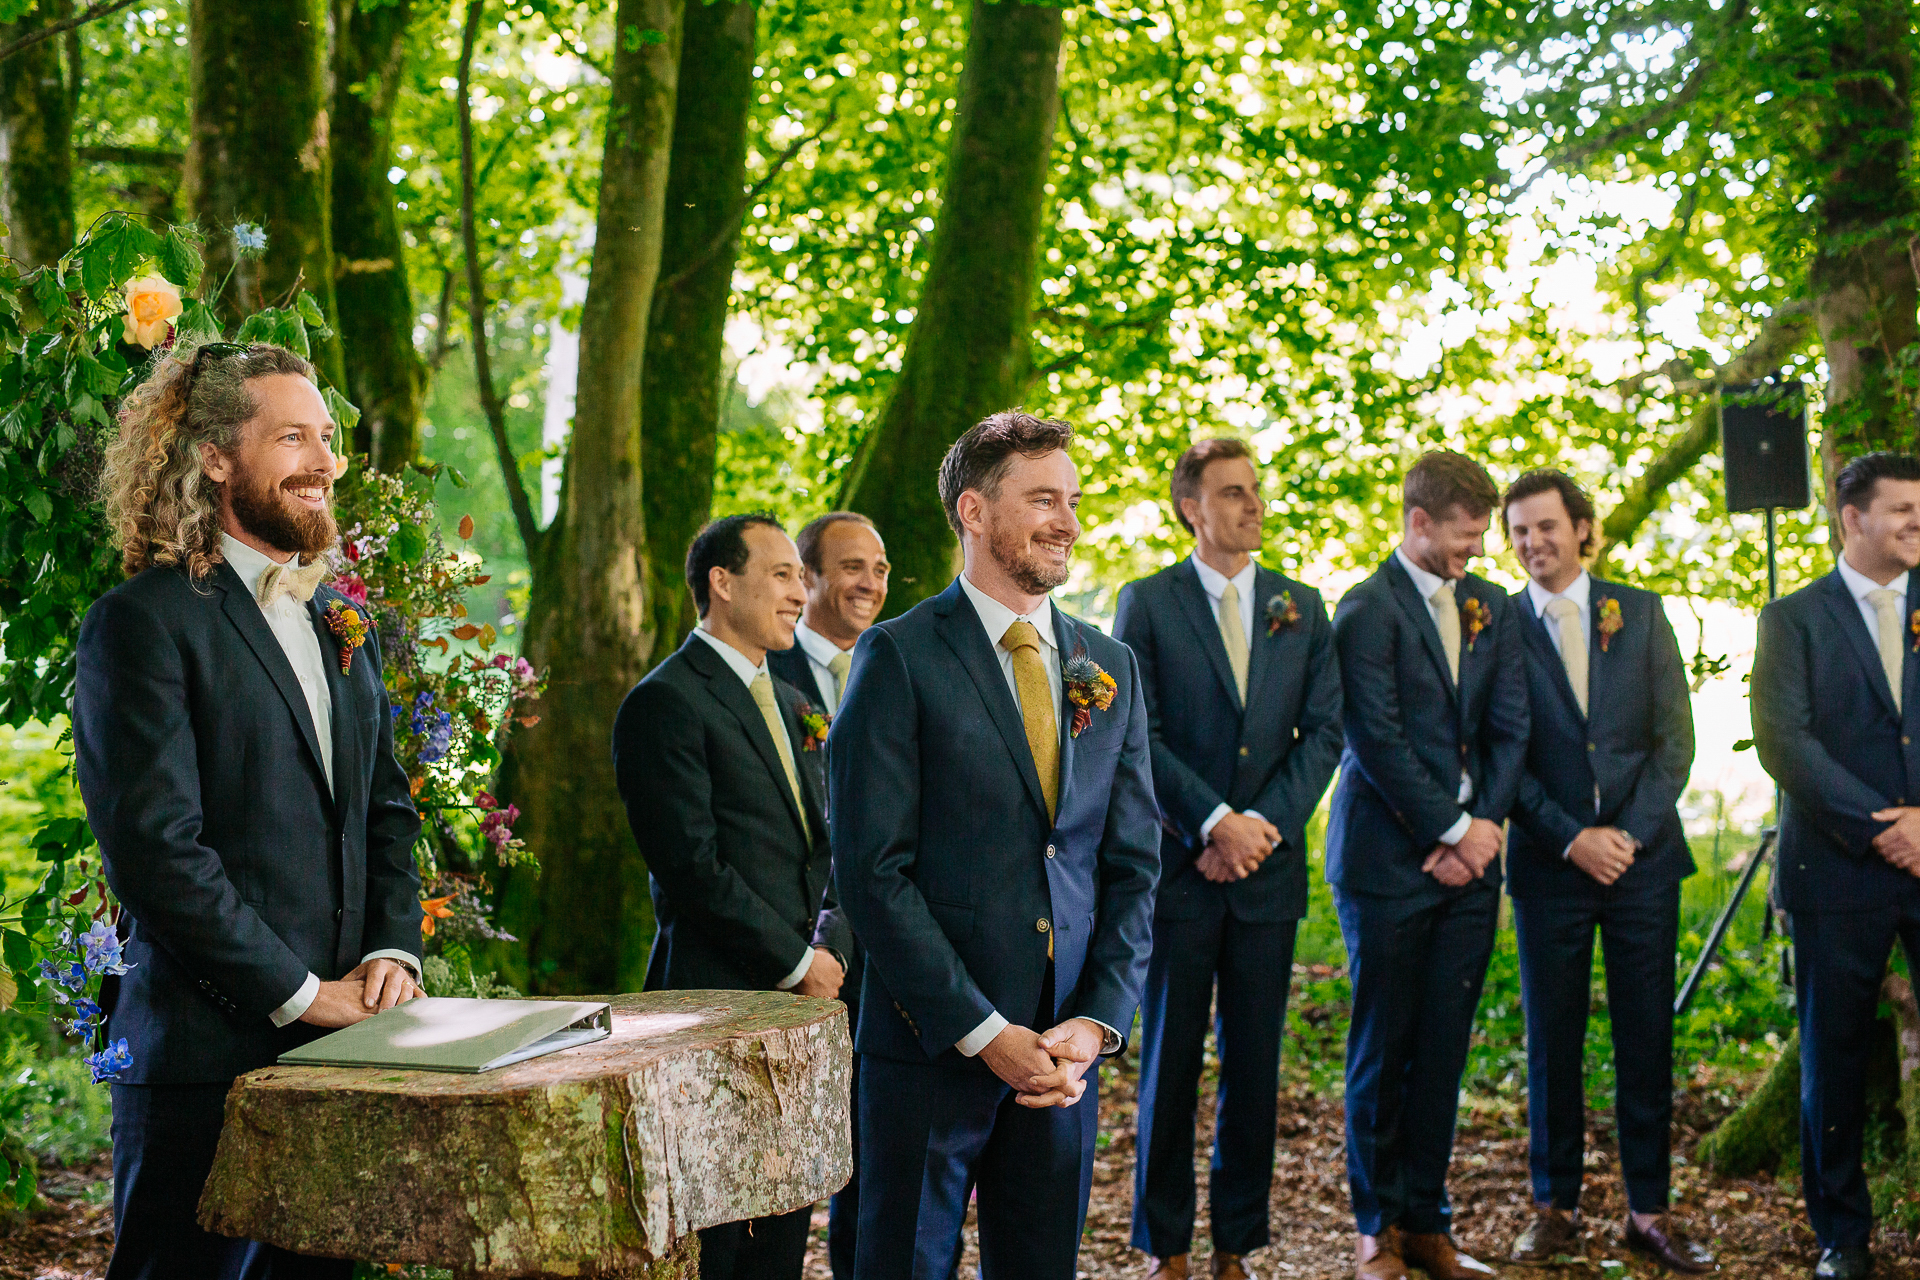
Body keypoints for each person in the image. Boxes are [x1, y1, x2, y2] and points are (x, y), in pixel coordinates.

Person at [74, 341, 425, 1280]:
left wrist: (392, 954)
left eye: (327, 440)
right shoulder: (141, 622)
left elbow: (387, 813)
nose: (323, 461)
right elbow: (156, 854)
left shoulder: (343, 622)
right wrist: (307, 996)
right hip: (201, 1064)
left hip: (348, 1053)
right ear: (217, 457)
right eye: (292, 437)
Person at [830, 410, 1160, 1279]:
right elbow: (873, 873)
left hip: (1061, 1061)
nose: (1069, 522)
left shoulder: (1108, 664)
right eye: (1043, 499)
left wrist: (1094, 1023)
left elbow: (1129, 865)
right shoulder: (898, 657)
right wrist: (982, 1031)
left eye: (1074, 500)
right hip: (932, 1049)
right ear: (974, 512)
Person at [1114, 438, 1343, 1280]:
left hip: (1266, 876)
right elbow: (1141, 735)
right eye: (1233, 492)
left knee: (1254, 1068)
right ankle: (1166, 1245)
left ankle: (1235, 1244)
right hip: (1180, 871)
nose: (1251, 505)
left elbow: (1324, 733)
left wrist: (1255, 830)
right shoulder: (1147, 603)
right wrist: (1210, 822)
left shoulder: (1302, 605)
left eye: (1255, 490)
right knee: (1170, 1064)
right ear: (1191, 507)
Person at [612, 513, 843, 1280]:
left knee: (783, 1220)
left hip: (806, 1007)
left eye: (800, 577)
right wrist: (794, 961)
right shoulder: (666, 702)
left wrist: (832, 947)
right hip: (716, 1003)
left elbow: (824, 843)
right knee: (718, 1236)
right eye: (781, 574)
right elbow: (691, 869)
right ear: (722, 583)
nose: (799, 592)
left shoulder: (786, 695)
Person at [1500, 470, 1712, 1272]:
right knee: (1552, 1040)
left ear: (1583, 530)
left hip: (1644, 865)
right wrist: (1569, 838)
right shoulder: (1499, 624)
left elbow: (1675, 742)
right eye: (1518, 531)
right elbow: (1500, 756)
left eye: (1547, 528)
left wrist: (1623, 833)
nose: (1532, 544)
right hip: (1550, 869)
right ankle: (1553, 1208)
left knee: (1645, 1037)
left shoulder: (1642, 612)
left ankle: (1649, 1210)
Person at [1327, 450, 1528, 1280]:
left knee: (1443, 1047)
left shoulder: (1493, 607)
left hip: (1473, 866)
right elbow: (1373, 737)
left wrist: (1482, 829)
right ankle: (1376, 1227)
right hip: (1385, 862)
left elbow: (1512, 727)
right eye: (1465, 533)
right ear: (1418, 523)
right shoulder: (1364, 610)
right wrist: (1448, 828)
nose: (1476, 549)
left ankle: (1427, 1222)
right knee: (1384, 1043)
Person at [1753, 451, 1920, 1280]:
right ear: (1852, 520)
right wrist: (1880, 826)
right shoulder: (1792, 619)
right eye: (1903, 512)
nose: (1918, 525)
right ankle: (1843, 1239)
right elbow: (1786, 741)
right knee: (1835, 1056)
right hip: (1837, 871)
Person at [769, 509, 890, 1280]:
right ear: (807, 576)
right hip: (798, 950)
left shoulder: (897, 664)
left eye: (880, 569)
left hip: (889, 944)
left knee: (878, 1145)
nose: (870, 584)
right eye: (853, 567)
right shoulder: (769, 673)